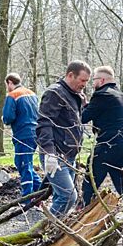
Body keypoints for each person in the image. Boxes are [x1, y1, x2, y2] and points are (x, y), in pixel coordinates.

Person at [36, 60, 90, 216]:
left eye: (86, 81)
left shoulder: (75, 95)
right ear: (70, 75)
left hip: (69, 155)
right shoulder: (55, 93)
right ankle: (46, 231)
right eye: (82, 80)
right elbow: (44, 124)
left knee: (61, 196)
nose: (84, 85)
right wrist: (49, 153)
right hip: (57, 155)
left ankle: (55, 231)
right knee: (68, 197)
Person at [80, 66, 123, 206]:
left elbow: (83, 118)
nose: (92, 83)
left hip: (107, 146)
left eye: (94, 80)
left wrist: (81, 104)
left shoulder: (101, 95)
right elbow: (104, 112)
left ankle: (81, 211)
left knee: (89, 183)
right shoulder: (119, 94)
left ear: (101, 80)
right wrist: (87, 104)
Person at [2, 73, 42, 202]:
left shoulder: (12, 95)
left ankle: (27, 198)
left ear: (9, 82)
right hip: (35, 132)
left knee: (24, 164)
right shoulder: (32, 94)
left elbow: (8, 117)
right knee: (23, 162)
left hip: (22, 134)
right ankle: (40, 189)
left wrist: (3, 119)